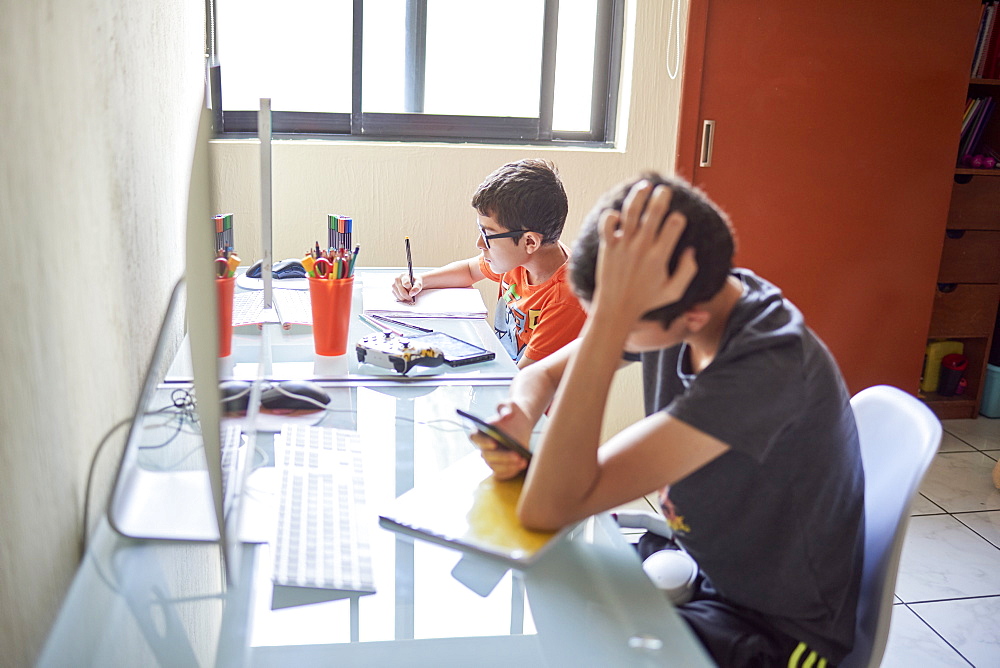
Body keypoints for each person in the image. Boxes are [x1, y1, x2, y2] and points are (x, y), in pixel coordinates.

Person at [475, 173, 865, 667]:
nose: (606, 335)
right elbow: (540, 377)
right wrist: (521, 414)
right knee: (547, 597)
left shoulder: (765, 368)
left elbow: (547, 508)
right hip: (703, 568)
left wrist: (611, 323)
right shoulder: (697, 294)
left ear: (693, 318)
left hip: (776, 630)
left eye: (615, 325)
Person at [391, 159, 586, 368]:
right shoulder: (523, 259)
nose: (479, 243)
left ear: (530, 241)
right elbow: (468, 270)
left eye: (488, 234)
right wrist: (420, 280)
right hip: (502, 376)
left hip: (522, 394)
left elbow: (522, 379)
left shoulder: (565, 300)